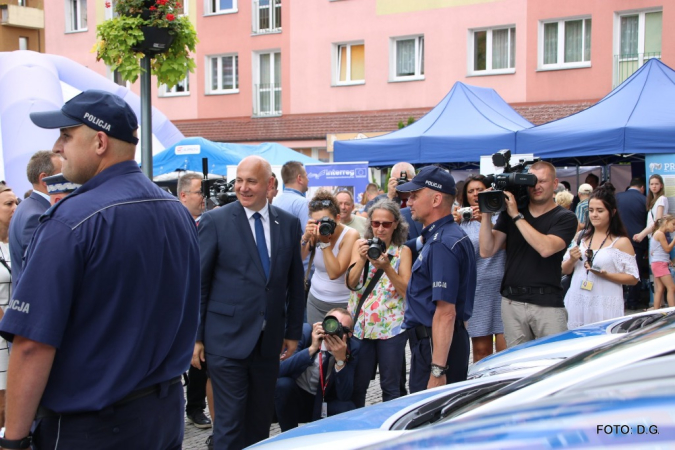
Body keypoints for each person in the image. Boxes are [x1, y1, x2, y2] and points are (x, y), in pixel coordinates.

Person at [0, 90, 199, 449]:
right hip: (162, 416)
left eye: (66, 135)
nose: (58, 147)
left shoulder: (71, 221)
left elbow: (31, 345)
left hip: (91, 427)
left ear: (100, 142)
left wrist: (12, 440)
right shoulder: (176, 212)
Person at [195, 155, 305, 449]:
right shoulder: (215, 221)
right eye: (239, 181)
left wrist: (293, 332)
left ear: (270, 184)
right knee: (229, 425)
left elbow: (294, 283)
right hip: (225, 342)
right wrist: (196, 337)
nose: (242, 188)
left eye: (251, 181)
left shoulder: (289, 224)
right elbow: (198, 284)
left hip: (268, 345)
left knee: (259, 424)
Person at [480, 160, 577, 348]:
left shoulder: (565, 217)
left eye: (542, 181)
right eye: (532, 181)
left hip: (547, 303)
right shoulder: (511, 213)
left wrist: (517, 216)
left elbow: (546, 248)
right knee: (517, 366)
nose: (536, 186)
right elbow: (486, 250)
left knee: (553, 361)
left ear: (555, 184)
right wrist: (486, 212)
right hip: (512, 303)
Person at [396, 166, 476, 393]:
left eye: (415, 195)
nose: (409, 202)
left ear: (436, 199)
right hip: (437, 343)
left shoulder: (442, 242)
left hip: (436, 346)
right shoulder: (442, 236)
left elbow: (446, 312)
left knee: (430, 419)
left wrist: (438, 370)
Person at [346, 199, 412, 406]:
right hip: (361, 328)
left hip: (390, 328)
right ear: (370, 224)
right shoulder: (359, 246)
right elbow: (350, 283)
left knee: (390, 385)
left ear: (395, 225)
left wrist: (388, 268)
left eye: (386, 224)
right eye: (376, 224)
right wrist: (363, 259)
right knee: (358, 385)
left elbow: (406, 292)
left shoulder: (403, 252)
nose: (380, 229)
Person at [561, 185, 639, 328]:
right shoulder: (581, 237)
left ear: (612, 212)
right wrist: (572, 259)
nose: (594, 214)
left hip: (605, 304)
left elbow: (633, 278)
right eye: (591, 210)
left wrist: (606, 275)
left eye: (600, 210)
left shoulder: (621, 242)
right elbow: (564, 270)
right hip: (577, 301)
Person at [274, 308, 360, 431]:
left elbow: (344, 395)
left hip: (325, 403)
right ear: (322, 324)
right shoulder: (305, 333)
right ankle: (288, 436)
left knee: (347, 406)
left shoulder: (353, 348)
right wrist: (312, 348)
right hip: (297, 397)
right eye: (331, 324)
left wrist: (340, 360)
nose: (334, 332)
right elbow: (279, 370)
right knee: (283, 384)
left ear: (350, 334)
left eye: (341, 329)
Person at [454, 175, 506, 362]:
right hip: (477, 289)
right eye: (471, 191)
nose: (476, 194)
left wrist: (486, 219)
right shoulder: (463, 220)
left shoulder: (501, 215)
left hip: (503, 286)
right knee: (481, 350)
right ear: (465, 196)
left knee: (505, 348)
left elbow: (505, 243)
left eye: (480, 190)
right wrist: (453, 224)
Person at [302, 191, 360, 324]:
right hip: (315, 301)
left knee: (339, 343)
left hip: (342, 306)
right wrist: (305, 237)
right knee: (315, 341)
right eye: (317, 222)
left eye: (325, 221)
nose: (322, 225)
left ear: (338, 218)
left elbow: (334, 272)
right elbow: (300, 257)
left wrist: (324, 242)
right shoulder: (315, 232)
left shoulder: (350, 235)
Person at [8, 150, 61, 291]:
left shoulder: (27, 206)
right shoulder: (37, 215)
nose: (67, 177)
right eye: (61, 173)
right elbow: (40, 269)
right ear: (44, 179)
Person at [0, 185, 18, 427]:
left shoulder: (15, 241)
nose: (15, 208)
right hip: (3, 336)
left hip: (17, 334)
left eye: (16, 202)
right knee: (3, 404)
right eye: (8, 204)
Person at [616, 177, 648, 309]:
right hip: (637, 241)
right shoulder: (645, 200)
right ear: (642, 187)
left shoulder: (617, 197)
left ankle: (620, 298)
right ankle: (633, 301)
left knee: (617, 270)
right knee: (635, 271)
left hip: (617, 239)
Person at [274, 161, 310, 271]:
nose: (308, 180)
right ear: (300, 178)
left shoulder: (275, 202)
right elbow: (310, 237)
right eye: (306, 176)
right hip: (301, 268)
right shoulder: (303, 203)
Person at [648, 215, 675, 310]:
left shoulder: (657, 233)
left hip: (657, 263)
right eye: (673, 224)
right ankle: (672, 310)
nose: (674, 227)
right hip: (660, 264)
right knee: (671, 287)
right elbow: (667, 249)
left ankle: (656, 309)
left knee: (660, 288)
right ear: (666, 222)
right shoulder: (660, 234)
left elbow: (660, 251)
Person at [634, 174, 667, 244]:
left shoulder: (661, 199)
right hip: (654, 236)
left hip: (657, 237)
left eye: (656, 184)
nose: (654, 186)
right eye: (652, 184)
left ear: (661, 185)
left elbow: (657, 222)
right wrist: (640, 234)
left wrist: (642, 234)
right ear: (649, 186)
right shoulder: (653, 200)